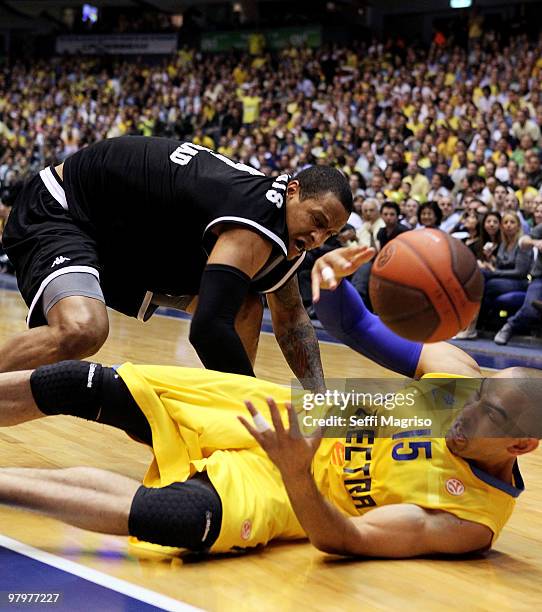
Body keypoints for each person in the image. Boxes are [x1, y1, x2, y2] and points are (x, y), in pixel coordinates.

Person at [1, 249, 540, 558]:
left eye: (487, 415)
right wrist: (332, 280)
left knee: (178, 518)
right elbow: (354, 325)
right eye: (477, 397)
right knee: (86, 384)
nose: (466, 410)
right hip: (284, 411)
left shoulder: (472, 517)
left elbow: (345, 537)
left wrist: (297, 472)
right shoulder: (458, 377)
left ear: (521, 443)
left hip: (294, 487)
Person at [1, 137, 351, 389]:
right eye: (318, 221)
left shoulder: (283, 230)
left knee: (244, 304)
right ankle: (236, 419)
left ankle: (226, 430)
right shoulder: (255, 218)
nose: (319, 238)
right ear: (292, 192)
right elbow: (208, 330)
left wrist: (319, 402)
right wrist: (253, 404)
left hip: (127, 239)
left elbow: (290, 319)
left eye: (329, 234)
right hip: (66, 207)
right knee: (82, 330)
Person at [494, 222, 542, 345]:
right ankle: (510, 326)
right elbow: (523, 242)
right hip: (539, 278)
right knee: (531, 308)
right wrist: (536, 243)